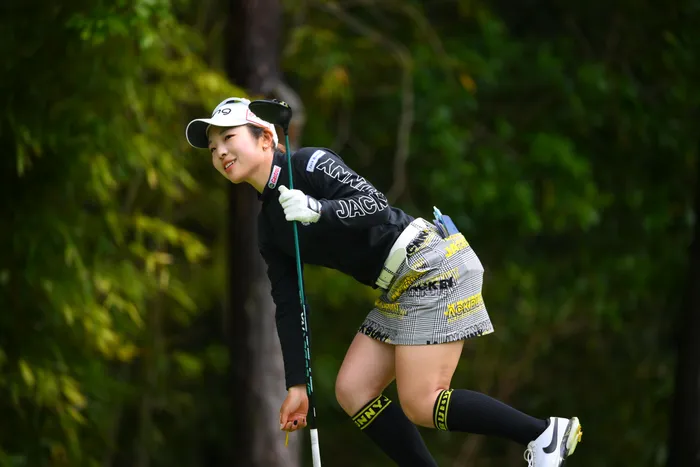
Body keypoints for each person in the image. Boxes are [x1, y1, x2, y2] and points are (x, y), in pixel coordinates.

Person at [185, 97, 583, 467]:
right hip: (398, 284)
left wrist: (318, 209)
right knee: (354, 390)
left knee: (421, 402)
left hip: (429, 263)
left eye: (229, 137)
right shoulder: (269, 228)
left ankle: (543, 433)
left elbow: (375, 204)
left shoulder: (309, 164)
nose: (220, 152)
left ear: (266, 138)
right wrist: (297, 384)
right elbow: (289, 303)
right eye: (213, 147)